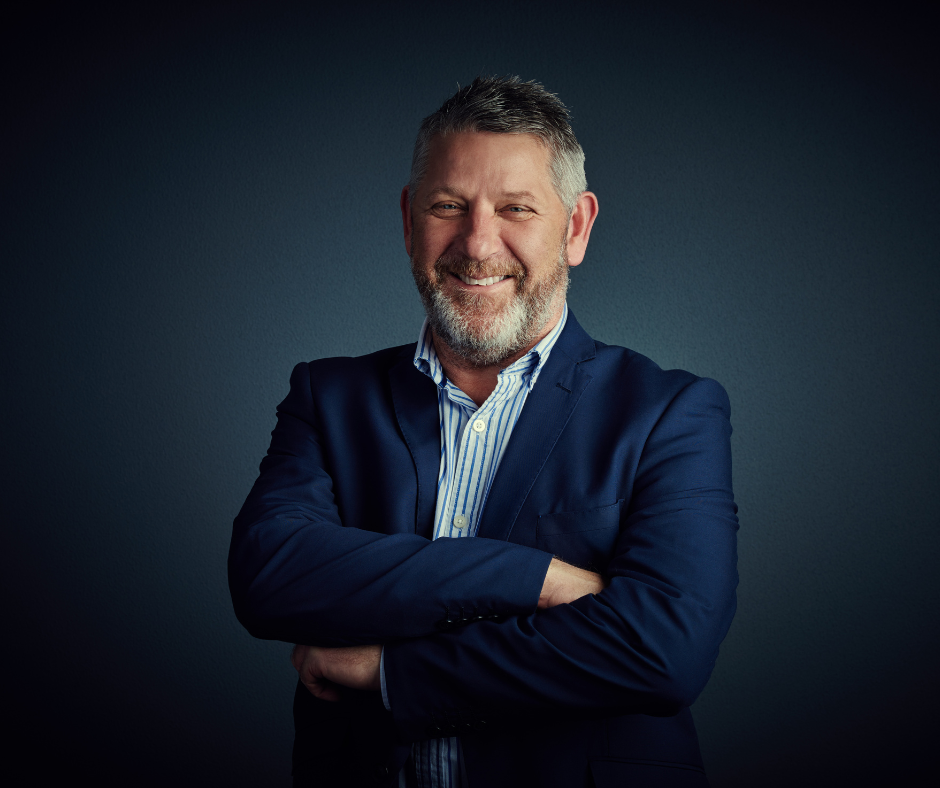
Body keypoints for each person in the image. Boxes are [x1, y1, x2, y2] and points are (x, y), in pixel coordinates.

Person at [229, 76, 738, 788]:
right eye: (448, 206)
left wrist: (389, 672)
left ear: (576, 227)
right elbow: (268, 575)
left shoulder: (670, 413)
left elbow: (663, 654)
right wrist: (535, 579)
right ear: (409, 221)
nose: (476, 242)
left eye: (515, 208)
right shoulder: (329, 396)